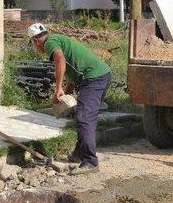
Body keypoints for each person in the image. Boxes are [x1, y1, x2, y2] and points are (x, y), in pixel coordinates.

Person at [28, 23, 111, 175]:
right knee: (84, 116)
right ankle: (79, 154)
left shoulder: (50, 43)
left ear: (36, 41)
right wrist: (66, 93)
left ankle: (90, 162)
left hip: (94, 78)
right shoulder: (58, 39)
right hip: (101, 75)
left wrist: (58, 88)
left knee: (84, 117)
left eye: (34, 44)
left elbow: (59, 60)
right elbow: (73, 72)